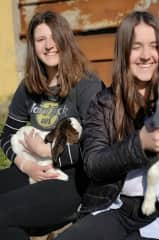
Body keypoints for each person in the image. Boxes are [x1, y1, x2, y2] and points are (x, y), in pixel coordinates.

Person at [55, 10, 159, 240]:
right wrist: (140, 145)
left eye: (153, 46)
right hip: (118, 208)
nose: (146, 55)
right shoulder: (104, 103)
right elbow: (93, 163)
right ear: (123, 52)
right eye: (136, 47)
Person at [0, 11, 103, 239]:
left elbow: (96, 144)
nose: (48, 45)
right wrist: (26, 165)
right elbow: (7, 134)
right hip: (31, 168)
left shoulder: (87, 85)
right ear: (33, 47)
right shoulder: (29, 86)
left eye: (53, 37)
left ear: (65, 39)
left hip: (71, 179)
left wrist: (47, 151)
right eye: (40, 40)